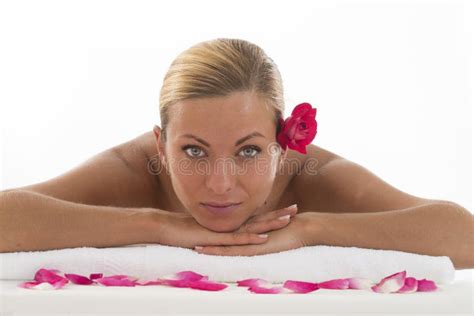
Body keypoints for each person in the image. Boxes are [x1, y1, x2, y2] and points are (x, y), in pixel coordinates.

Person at [1, 38, 472, 269]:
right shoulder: (132, 170)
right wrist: (157, 224)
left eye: (248, 150)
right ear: (160, 145)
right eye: (193, 150)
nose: (220, 183)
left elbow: (463, 236)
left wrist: (313, 228)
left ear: (284, 143)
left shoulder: (313, 173)